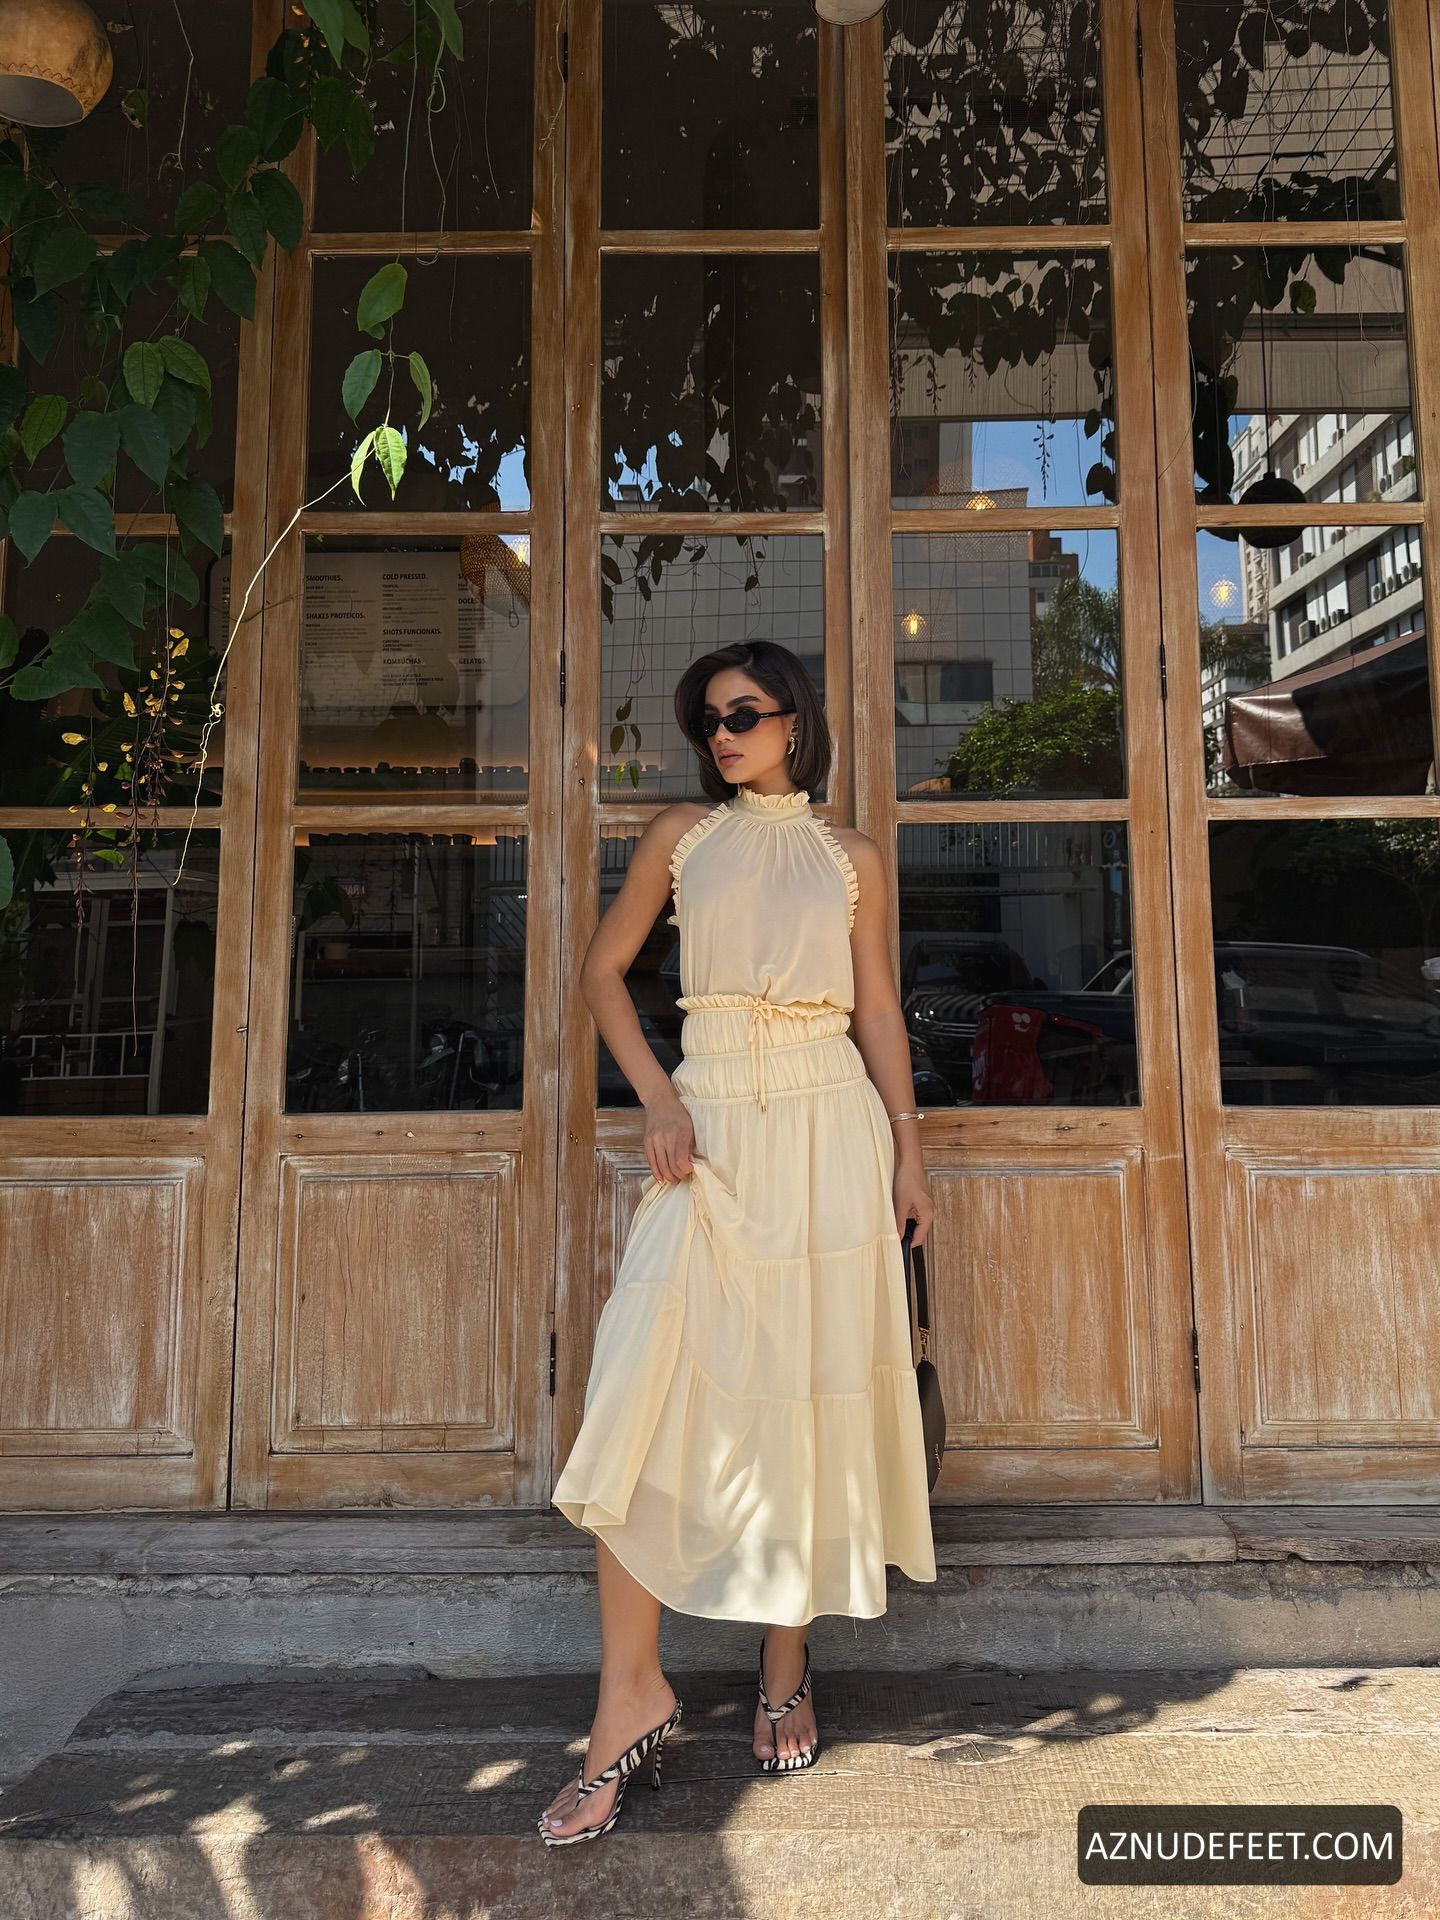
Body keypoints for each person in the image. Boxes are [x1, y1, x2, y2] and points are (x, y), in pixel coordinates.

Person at [538, 640, 937, 1846]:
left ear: (794, 721)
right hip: (709, 1129)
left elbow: (877, 1007)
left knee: (803, 1394)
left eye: (745, 714)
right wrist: (659, 1098)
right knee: (636, 1392)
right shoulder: (682, 837)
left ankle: (784, 1666)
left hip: (827, 1129)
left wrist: (909, 1152)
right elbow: (603, 974)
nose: (722, 735)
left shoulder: (852, 858)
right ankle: (630, 1695)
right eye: (708, 719)